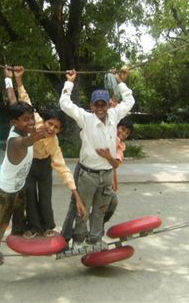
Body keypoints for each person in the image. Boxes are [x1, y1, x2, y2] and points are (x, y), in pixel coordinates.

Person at [59, 68, 134, 249]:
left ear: (108, 104)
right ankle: (78, 240)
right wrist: (70, 82)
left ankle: (94, 239)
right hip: (88, 174)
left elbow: (129, 100)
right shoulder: (86, 118)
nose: (100, 108)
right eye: (97, 105)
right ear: (92, 106)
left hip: (107, 174)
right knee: (82, 209)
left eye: (103, 104)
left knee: (100, 210)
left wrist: (119, 81)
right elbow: (64, 103)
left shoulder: (114, 116)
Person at [8, 66, 87, 239]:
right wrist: (18, 78)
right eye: (50, 123)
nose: (51, 128)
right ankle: (34, 227)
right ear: (44, 120)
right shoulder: (34, 120)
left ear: (59, 131)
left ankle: (47, 226)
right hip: (28, 164)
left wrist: (77, 197)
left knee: (45, 197)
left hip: (44, 166)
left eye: (57, 127)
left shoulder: (54, 144)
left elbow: (63, 169)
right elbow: (24, 98)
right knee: (29, 195)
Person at [0, 72, 46, 266]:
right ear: (14, 123)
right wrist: (38, 134)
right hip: (6, 190)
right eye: (26, 120)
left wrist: (8, 77)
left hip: (18, 186)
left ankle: (20, 238)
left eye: (31, 118)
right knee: (2, 221)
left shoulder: (17, 122)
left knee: (20, 215)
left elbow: (12, 98)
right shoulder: (17, 142)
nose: (31, 122)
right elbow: (28, 141)